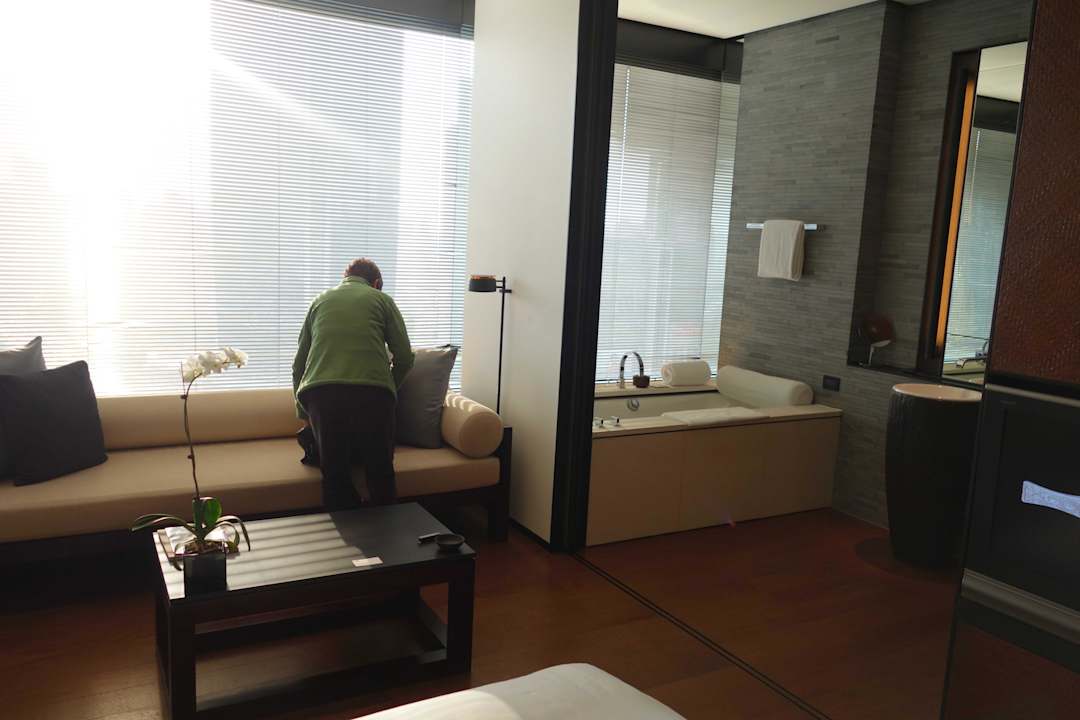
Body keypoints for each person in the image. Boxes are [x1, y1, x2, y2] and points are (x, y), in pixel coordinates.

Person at [292, 258, 414, 510]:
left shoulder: (319, 301)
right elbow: (404, 357)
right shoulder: (382, 299)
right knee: (380, 471)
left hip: (322, 396)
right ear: (376, 283)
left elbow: (298, 365)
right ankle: (387, 530)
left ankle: (344, 532)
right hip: (372, 395)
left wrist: (304, 413)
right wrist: (388, 387)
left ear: (345, 278)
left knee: (334, 474)